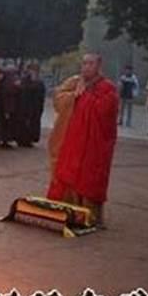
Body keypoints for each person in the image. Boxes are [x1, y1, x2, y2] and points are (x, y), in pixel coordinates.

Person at [47, 53, 118, 227]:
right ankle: (66, 210)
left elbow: (106, 111)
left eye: (90, 63)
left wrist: (84, 97)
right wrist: (74, 97)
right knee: (66, 171)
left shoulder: (107, 87)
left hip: (94, 144)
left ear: (99, 65)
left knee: (90, 175)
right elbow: (58, 98)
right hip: (70, 140)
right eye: (84, 63)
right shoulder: (74, 82)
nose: (86, 67)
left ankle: (89, 215)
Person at [17, 62, 46, 147]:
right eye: (31, 70)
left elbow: (41, 94)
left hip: (35, 106)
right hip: (25, 105)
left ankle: (30, 139)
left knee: (33, 123)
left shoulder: (39, 82)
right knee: (24, 123)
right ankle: (22, 140)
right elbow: (23, 91)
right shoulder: (24, 80)